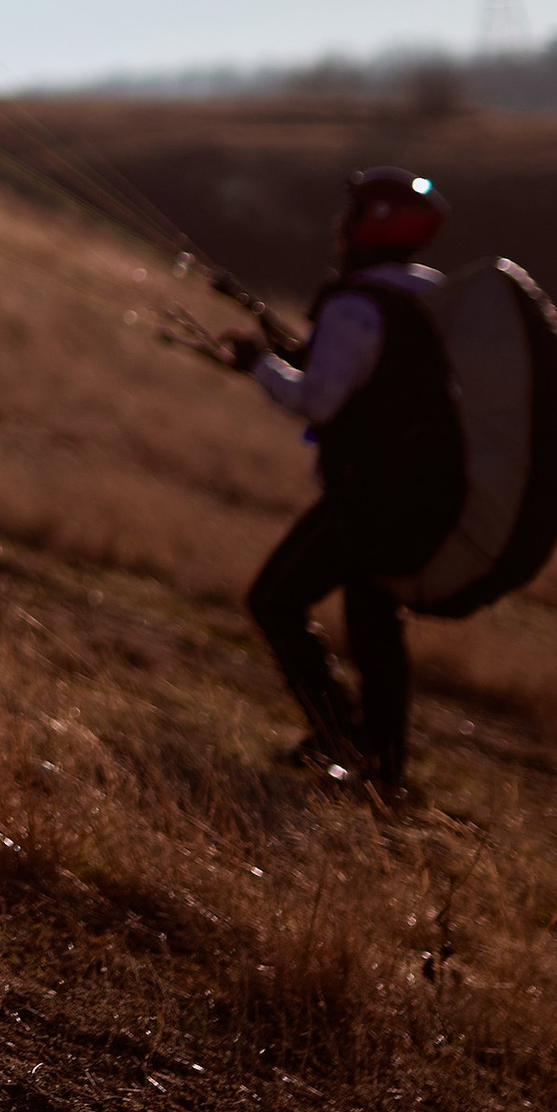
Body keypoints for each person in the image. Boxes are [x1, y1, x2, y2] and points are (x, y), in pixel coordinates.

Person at [218, 168, 466, 793]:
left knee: (275, 599)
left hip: (368, 494)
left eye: (351, 216)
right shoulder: (433, 295)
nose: (339, 227)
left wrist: (258, 364)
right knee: (374, 622)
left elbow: (319, 401)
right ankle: (380, 771)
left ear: (373, 227)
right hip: (423, 491)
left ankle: (341, 737)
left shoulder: (357, 304)